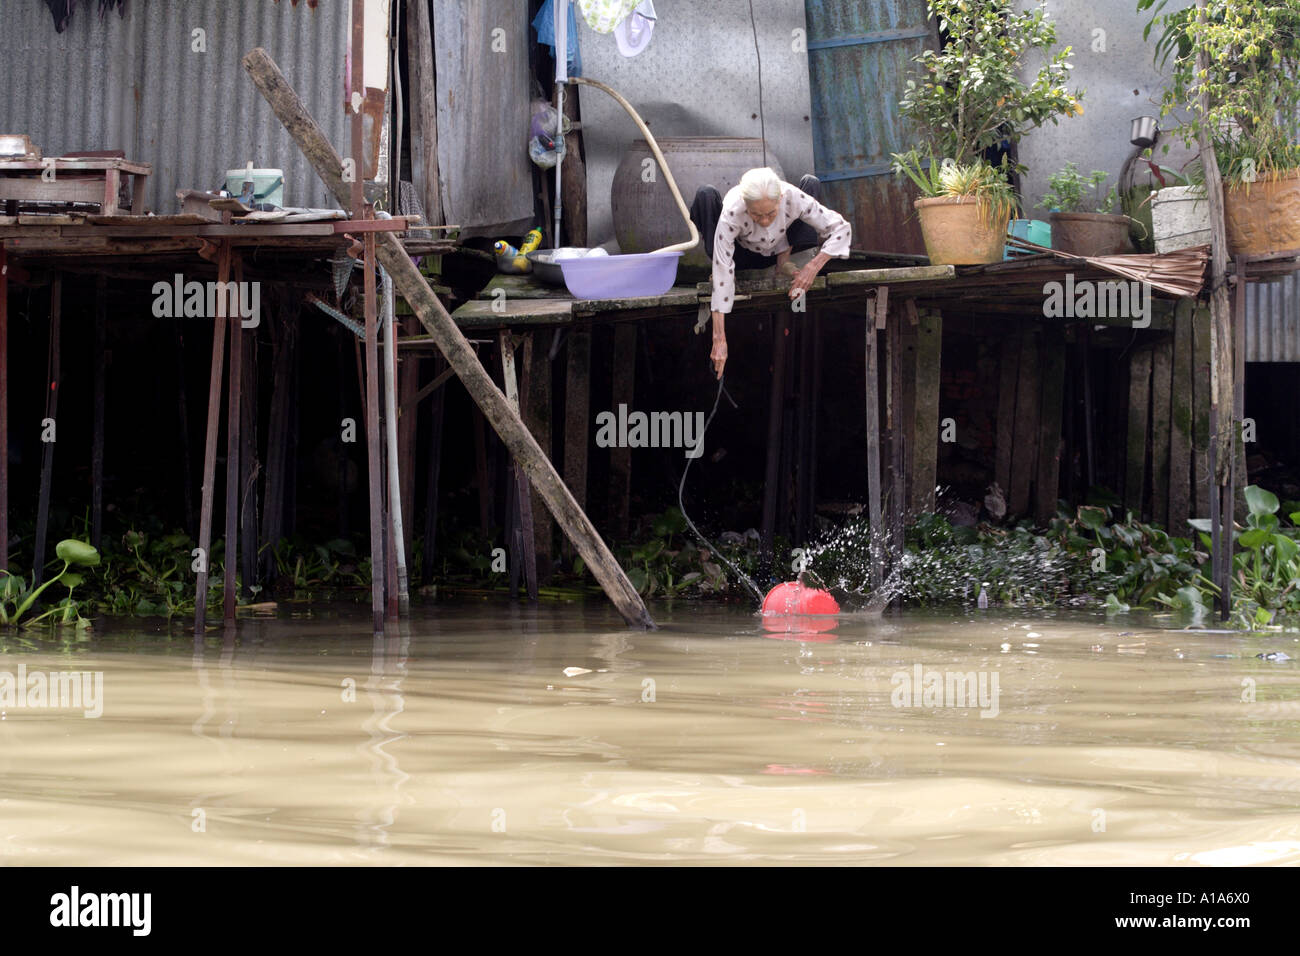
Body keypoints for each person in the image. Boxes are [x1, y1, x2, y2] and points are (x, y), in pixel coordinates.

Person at [690, 167, 852, 379]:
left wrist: (813, 266)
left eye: (771, 213)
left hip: (782, 248)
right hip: (743, 256)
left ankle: (783, 261)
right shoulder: (732, 211)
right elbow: (721, 279)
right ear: (745, 204)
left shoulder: (792, 196)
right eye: (756, 214)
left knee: (811, 181)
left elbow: (842, 228)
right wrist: (719, 340)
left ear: (781, 198)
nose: (765, 221)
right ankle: (741, 270)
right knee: (705, 194)